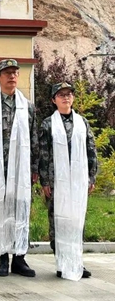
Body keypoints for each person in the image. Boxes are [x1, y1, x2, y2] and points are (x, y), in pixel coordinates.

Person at [0, 59, 39, 277]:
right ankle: (2, 259)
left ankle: (19, 259)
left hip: (21, 170)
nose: (11, 76)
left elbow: (34, 139)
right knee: (0, 212)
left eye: (14, 73)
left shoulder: (28, 106)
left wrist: (34, 168)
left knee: (21, 210)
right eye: (7, 73)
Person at [38, 82, 97, 280]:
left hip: (78, 180)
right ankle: (62, 262)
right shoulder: (48, 124)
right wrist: (45, 181)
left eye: (69, 94)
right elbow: (43, 154)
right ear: (53, 100)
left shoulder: (82, 123)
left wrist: (91, 176)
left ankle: (77, 261)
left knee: (76, 221)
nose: (65, 98)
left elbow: (91, 150)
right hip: (57, 181)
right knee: (58, 221)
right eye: (61, 95)